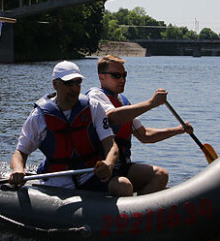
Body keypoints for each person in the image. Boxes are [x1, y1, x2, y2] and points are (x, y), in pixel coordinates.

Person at [10, 61, 132, 196]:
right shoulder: (39, 116)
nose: (74, 89)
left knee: (123, 185)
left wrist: (108, 164)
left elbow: (111, 146)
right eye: (69, 84)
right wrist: (18, 169)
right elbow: (20, 152)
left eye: (78, 83)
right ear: (55, 84)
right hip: (57, 183)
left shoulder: (93, 107)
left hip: (90, 175)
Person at [86, 55, 194, 195]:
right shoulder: (95, 96)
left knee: (160, 175)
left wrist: (179, 130)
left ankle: (140, 211)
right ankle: (125, 210)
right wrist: (151, 103)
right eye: (116, 75)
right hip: (102, 168)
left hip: (122, 165)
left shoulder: (123, 102)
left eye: (124, 75)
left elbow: (145, 135)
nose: (122, 80)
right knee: (124, 185)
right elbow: (112, 117)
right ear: (102, 78)